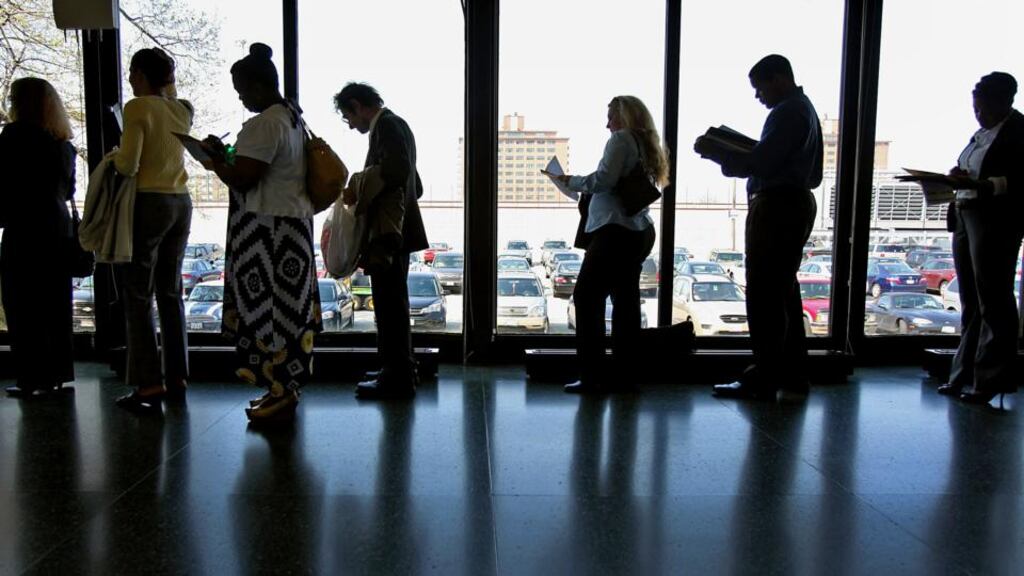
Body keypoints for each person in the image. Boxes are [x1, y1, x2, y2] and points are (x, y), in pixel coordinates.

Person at [695, 54, 823, 402]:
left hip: (776, 206)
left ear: (778, 79)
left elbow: (763, 162)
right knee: (783, 293)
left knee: (764, 296)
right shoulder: (805, 109)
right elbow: (810, 173)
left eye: (759, 88)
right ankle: (792, 374)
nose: (758, 97)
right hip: (794, 202)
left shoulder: (786, 112)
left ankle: (765, 375)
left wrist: (718, 154)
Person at [203, 43, 321, 423]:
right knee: (289, 314)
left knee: (268, 315)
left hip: (266, 235)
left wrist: (216, 160)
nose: (242, 100)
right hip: (292, 229)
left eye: (242, 91)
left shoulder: (265, 123)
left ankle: (279, 390)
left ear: (257, 86)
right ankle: (284, 389)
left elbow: (244, 177)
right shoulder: (292, 118)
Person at [550, 96, 664, 394]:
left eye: (611, 116)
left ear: (624, 116)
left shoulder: (621, 139)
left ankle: (593, 376)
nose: (607, 123)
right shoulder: (645, 143)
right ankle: (625, 376)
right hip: (639, 230)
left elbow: (603, 180)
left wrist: (568, 180)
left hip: (614, 232)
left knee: (587, 299)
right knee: (625, 305)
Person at [110, 48, 195, 413]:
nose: (130, 79)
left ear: (142, 74)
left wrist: (112, 156)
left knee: (138, 294)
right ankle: (177, 376)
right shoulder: (182, 109)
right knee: (171, 292)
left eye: (132, 72)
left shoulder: (137, 107)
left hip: (149, 203)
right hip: (181, 202)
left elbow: (128, 164)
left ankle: (148, 384)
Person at [335, 82, 428, 399]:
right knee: (392, 303)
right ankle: (398, 367)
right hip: (399, 229)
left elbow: (398, 171)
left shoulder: (386, 125)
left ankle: (397, 376)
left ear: (358, 105)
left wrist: (359, 184)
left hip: (389, 234)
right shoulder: (397, 124)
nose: (350, 124)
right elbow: (415, 184)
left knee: (390, 307)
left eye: (349, 116)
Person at [937, 72, 1024, 405]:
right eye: (976, 109)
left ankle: (989, 379)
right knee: (972, 301)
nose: (979, 115)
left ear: (1006, 102)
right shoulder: (981, 135)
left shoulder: (1019, 132)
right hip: (966, 213)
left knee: (994, 299)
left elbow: (1018, 181)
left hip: (995, 219)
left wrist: (985, 185)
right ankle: (964, 375)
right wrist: (958, 176)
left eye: (984, 109)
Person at [0, 77, 77, 397]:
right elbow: (69, 189)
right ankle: (56, 375)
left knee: (22, 304)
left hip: (24, 226)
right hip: (57, 227)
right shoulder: (63, 144)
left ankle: (31, 378)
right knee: (55, 302)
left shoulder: (13, 137)